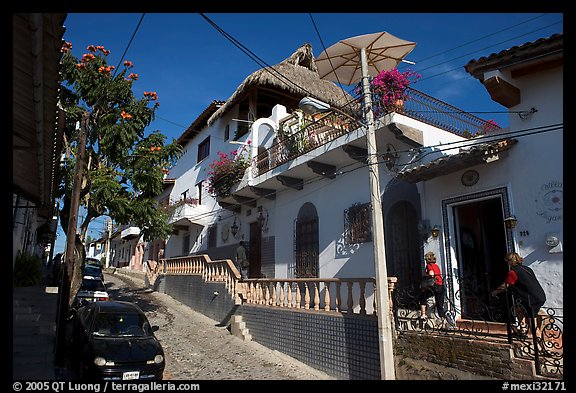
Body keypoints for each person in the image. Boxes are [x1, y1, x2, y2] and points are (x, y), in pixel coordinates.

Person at [491, 252, 546, 334]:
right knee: (519, 309)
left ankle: (537, 342)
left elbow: (506, 285)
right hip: (539, 296)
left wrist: (495, 291)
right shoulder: (527, 269)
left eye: (507, 262)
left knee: (532, 322)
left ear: (510, 261)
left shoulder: (513, 272)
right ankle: (523, 329)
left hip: (531, 299)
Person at [418, 251, 451, 325]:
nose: (425, 260)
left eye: (426, 259)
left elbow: (431, 274)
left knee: (422, 296)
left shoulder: (429, 265)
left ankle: (423, 314)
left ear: (428, 259)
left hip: (434, 285)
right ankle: (443, 322)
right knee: (440, 304)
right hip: (441, 286)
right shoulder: (436, 266)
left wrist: (425, 275)